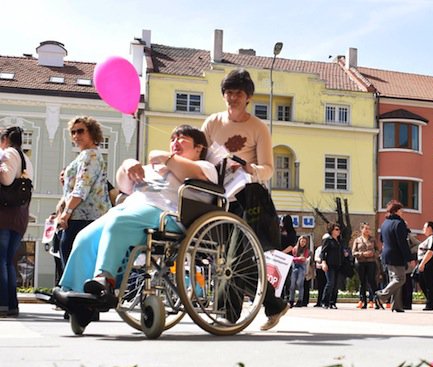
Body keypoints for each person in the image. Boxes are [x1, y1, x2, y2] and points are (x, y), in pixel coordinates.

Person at [57, 125, 217, 296]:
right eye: (172, 139)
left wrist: (163, 156)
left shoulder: (204, 166)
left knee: (119, 222)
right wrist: (128, 165)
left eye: (182, 138)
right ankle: (73, 291)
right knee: (84, 237)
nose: (175, 142)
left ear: (199, 148)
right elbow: (124, 187)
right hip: (131, 208)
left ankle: (105, 279)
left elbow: (195, 175)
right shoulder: (153, 168)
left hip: (165, 213)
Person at [201, 68, 288, 331]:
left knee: (237, 256)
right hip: (217, 194)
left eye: (238, 92)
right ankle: (271, 303)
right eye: (228, 92)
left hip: (248, 196)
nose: (232, 97)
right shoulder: (212, 122)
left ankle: (230, 314)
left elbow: (268, 169)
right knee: (225, 256)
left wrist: (249, 169)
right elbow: (200, 156)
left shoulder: (258, 127)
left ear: (248, 96)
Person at [55, 116, 112, 270]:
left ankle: (74, 291)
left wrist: (66, 213)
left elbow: (82, 187)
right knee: (77, 258)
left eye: (80, 131)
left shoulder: (90, 155)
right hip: (83, 216)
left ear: (92, 133)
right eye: (73, 132)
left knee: (73, 259)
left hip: (85, 217)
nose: (76, 136)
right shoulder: (84, 156)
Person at [0, 126, 34, 317]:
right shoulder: (26, 158)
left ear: (5, 139)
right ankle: (11, 304)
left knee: (1, 260)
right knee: (8, 261)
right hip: (20, 217)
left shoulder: (9, 153)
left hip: (5, 215)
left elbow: (5, 180)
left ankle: (2, 304)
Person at [375, 200, 411, 312]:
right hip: (397, 255)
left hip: (386, 254)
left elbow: (381, 239)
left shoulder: (385, 223)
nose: (402, 212)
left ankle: (397, 305)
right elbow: (402, 243)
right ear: (395, 211)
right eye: (401, 210)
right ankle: (381, 295)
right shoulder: (399, 223)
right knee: (400, 279)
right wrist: (407, 257)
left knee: (394, 280)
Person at [352, 222, 378, 309]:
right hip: (360, 263)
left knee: (371, 281)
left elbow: (378, 250)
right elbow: (353, 252)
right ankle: (362, 300)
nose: (367, 230)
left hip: (371, 262)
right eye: (366, 228)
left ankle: (373, 300)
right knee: (362, 282)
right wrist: (363, 254)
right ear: (361, 229)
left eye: (369, 229)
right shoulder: (357, 240)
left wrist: (373, 254)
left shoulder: (373, 240)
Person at [416, 221, 433, 311]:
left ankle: (430, 303)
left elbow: (430, 252)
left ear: (430, 228)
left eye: (425, 227)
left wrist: (423, 263)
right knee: (422, 281)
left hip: (429, 264)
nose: (423, 229)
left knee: (429, 283)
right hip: (425, 263)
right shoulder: (429, 238)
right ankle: (431, 301)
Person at [320, 223, 343, 309]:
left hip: (338, 264)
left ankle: (332, 302)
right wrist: (323, 262)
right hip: (329, 264)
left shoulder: (339, 241)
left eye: (339, 229)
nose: (338, 231)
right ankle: (324, 302)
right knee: (330, 283)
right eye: (336, 229)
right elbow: (323, 252)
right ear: (332, 230)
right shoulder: (328, 240)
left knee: (336, 285)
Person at [288, 235, 310, 307]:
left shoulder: (306, 250)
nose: (303, 243)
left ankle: (300, 300)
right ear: (299, 241)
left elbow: (304, 258)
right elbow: (292, 258)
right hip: (295, 266)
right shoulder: (294, 249)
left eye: (304, 242)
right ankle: (291, 300)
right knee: (292, 285)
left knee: (299, 283)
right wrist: (299, 258)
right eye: (302, 241)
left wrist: (299, 258)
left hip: (302, 267)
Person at [313, 241, 326, 307]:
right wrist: (322, 261)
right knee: (320, 286)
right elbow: (316, 258)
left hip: (327, 269)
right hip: (320, 268)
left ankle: (325, 301)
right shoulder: (319, 249)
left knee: (326, 286)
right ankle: (319, 302)